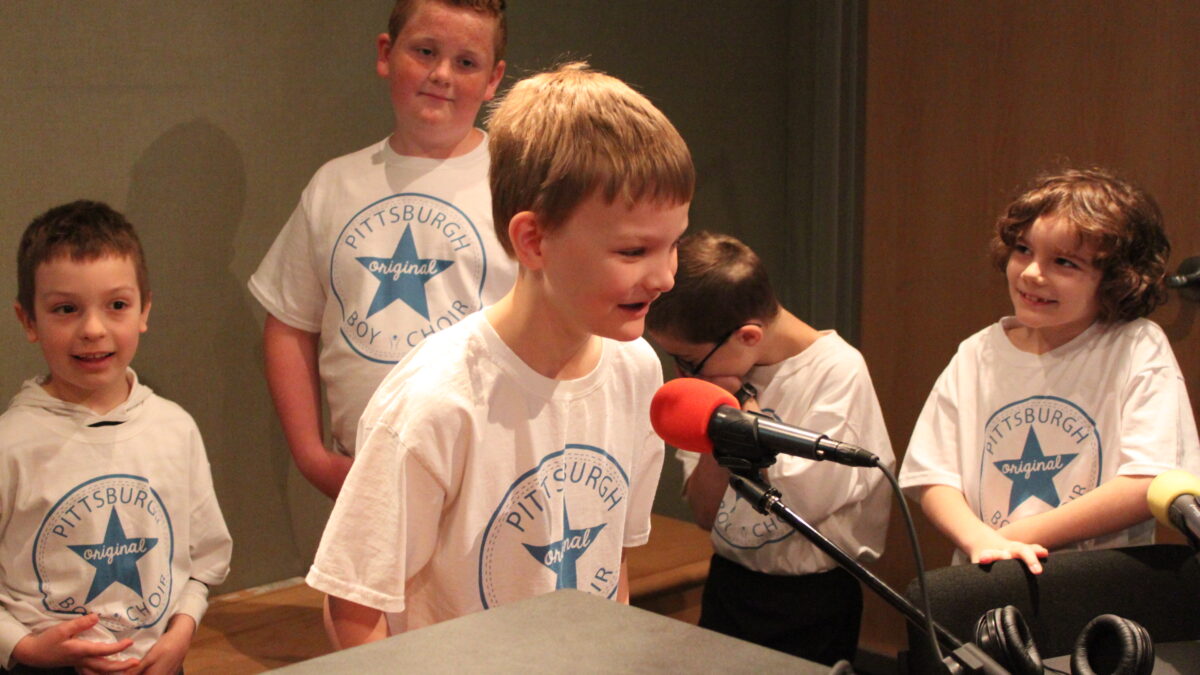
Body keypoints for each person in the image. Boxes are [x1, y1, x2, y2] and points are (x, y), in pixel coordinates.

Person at [305, 61, 694, 648]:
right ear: (533, 240)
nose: (665, 277)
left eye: (675, 245)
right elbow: (354, 603)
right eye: (635, 250)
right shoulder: (436, 398)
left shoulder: (636, 369)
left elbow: (607, 568)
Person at [248, 0, 515, 498]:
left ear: (493, 79)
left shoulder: (518, 186)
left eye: (466, 62)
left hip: (493, 474)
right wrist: (310, 457)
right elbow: (289, 321)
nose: (441, 74)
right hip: (365, 476)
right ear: (386, 53)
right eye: (425, 51)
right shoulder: (335, 185)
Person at [899, 168, 1200, 574]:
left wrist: (1008, 540)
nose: (1031, 273)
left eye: (1063, 262)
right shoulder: (977, 353)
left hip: (1093, 582)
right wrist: (979, 540)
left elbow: (1147, 480)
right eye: (1023, 250)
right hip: (991, 572)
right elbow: (933, 475)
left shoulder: (1135, 347)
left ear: (1116, 280)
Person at [1, 201, 232, 674]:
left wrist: (181, 633)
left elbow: (205, 561)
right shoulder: (11, 446)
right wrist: (26, 648)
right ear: (28, 321)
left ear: (144, 310)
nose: (92, 329)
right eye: (66, 309)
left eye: (117, 305)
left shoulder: (175, 429)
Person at [645, 230, 894, 665]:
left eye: (687, 360)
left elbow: (794, 509)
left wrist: (747, 419)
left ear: (747, 337)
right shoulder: (718, 376)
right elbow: (706, 513)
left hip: (809, 600)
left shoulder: (836, 372)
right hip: (730, 585)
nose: (682, 373)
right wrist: (716, 426)